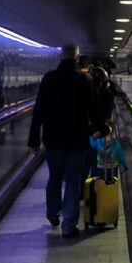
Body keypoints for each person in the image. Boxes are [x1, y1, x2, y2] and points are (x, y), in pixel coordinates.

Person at [29, 44, 95, 237]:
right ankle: (68, 225)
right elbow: (93, 110)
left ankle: (52, 213)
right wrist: (101, 128)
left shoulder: (49, 79)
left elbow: (38, 111)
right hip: (77, 140)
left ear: (60, 58)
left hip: (53, 139)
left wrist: (34, 140)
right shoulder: (85, 79)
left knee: (55, 177)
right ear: (76, 58)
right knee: (74, 181)